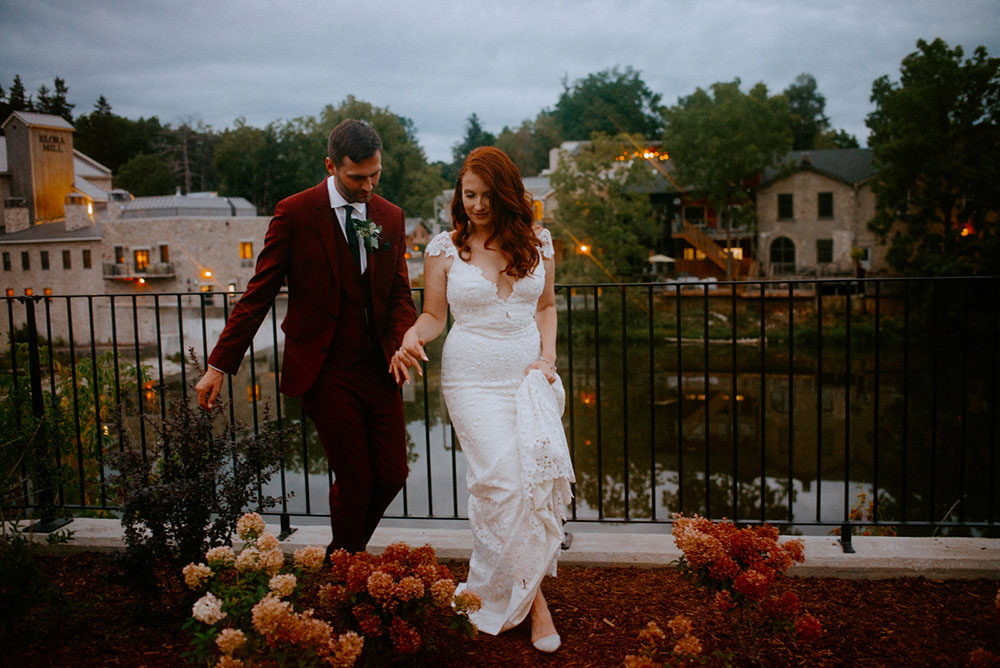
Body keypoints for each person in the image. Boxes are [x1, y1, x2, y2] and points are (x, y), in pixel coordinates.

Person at [195, 119, 417, 555]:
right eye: (357, 177)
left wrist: (401, 342)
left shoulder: (390, 217)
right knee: (356, 478)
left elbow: (399, 294)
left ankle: (340, 556)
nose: (368, 186)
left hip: (379, 367)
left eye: (376, 174)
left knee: (392, 475)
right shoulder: (295, 212)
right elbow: (258, 294)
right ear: (331, 165)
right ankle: (348, 572)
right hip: (324, 368)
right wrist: (219, 365)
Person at [390, 146, 574, 653]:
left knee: (529, 478)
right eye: (468, 195)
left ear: (507, 194)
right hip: (469, 378)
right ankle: (536, 605)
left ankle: (506, 588)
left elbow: (548, 306)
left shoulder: (538, 242)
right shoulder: (445, 249)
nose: (476, 205)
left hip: (525, 376)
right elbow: (432, 317)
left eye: (487, 196)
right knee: (501, 482)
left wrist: (548, 358)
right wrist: (412, 336)